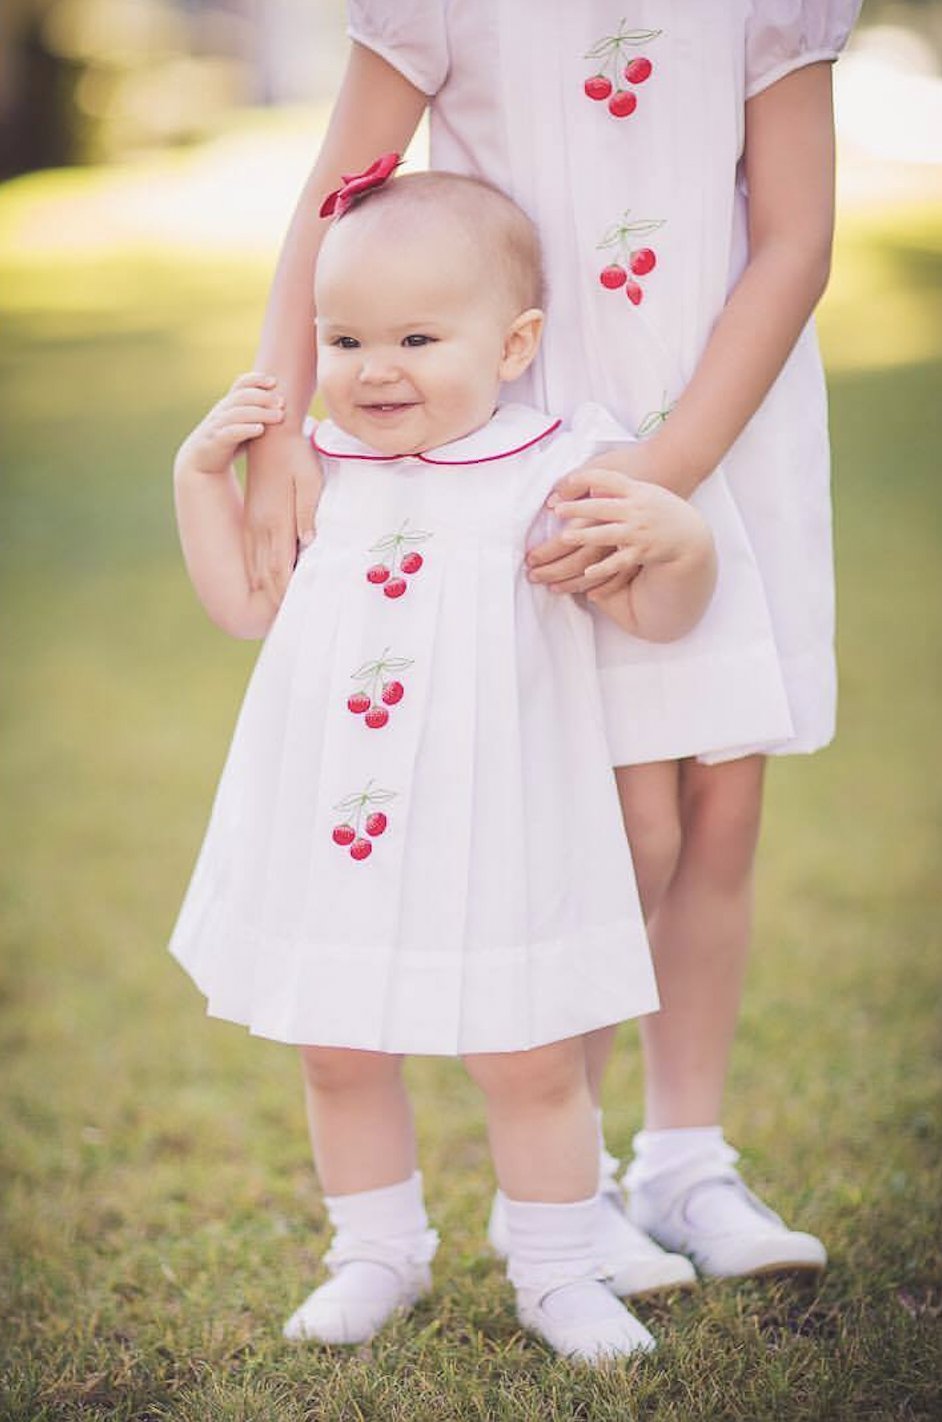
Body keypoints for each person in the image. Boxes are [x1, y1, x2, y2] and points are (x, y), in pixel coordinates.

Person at [242, 1, 860, 1286]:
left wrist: (672, 470)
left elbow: (796, 239)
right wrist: (280, 418)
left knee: (721, 805)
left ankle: (686, 1159)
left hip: (719, 429)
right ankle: (559, 1199)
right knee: (603, 824)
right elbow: (339, 192)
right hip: (517, 444)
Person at [170, 167, 721, 1362]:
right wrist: (198, 479)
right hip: (334, 818)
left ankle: (562, 1266)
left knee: (526, 1057)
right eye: (346, 337)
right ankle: (375, 1252)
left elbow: (658, 618)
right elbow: (240, 607)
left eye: (418, 337)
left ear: (516, 343)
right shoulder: (317, 468)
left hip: (499, 819)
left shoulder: (557, 468)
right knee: (338, 1045)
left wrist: (679, 542)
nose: (376, 368)